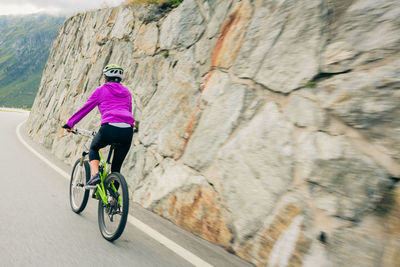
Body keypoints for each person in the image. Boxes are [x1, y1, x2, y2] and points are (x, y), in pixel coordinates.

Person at [62, 64, 135, 186]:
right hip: (127, 131)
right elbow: (129, 111)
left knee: (94, 148)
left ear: (105, 77)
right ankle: (113, 200)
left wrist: (70, 123)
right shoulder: (127, 92)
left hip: (110, 128)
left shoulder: (101, 90)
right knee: (116, 169)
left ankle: (95, 175)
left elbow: (85, 109)